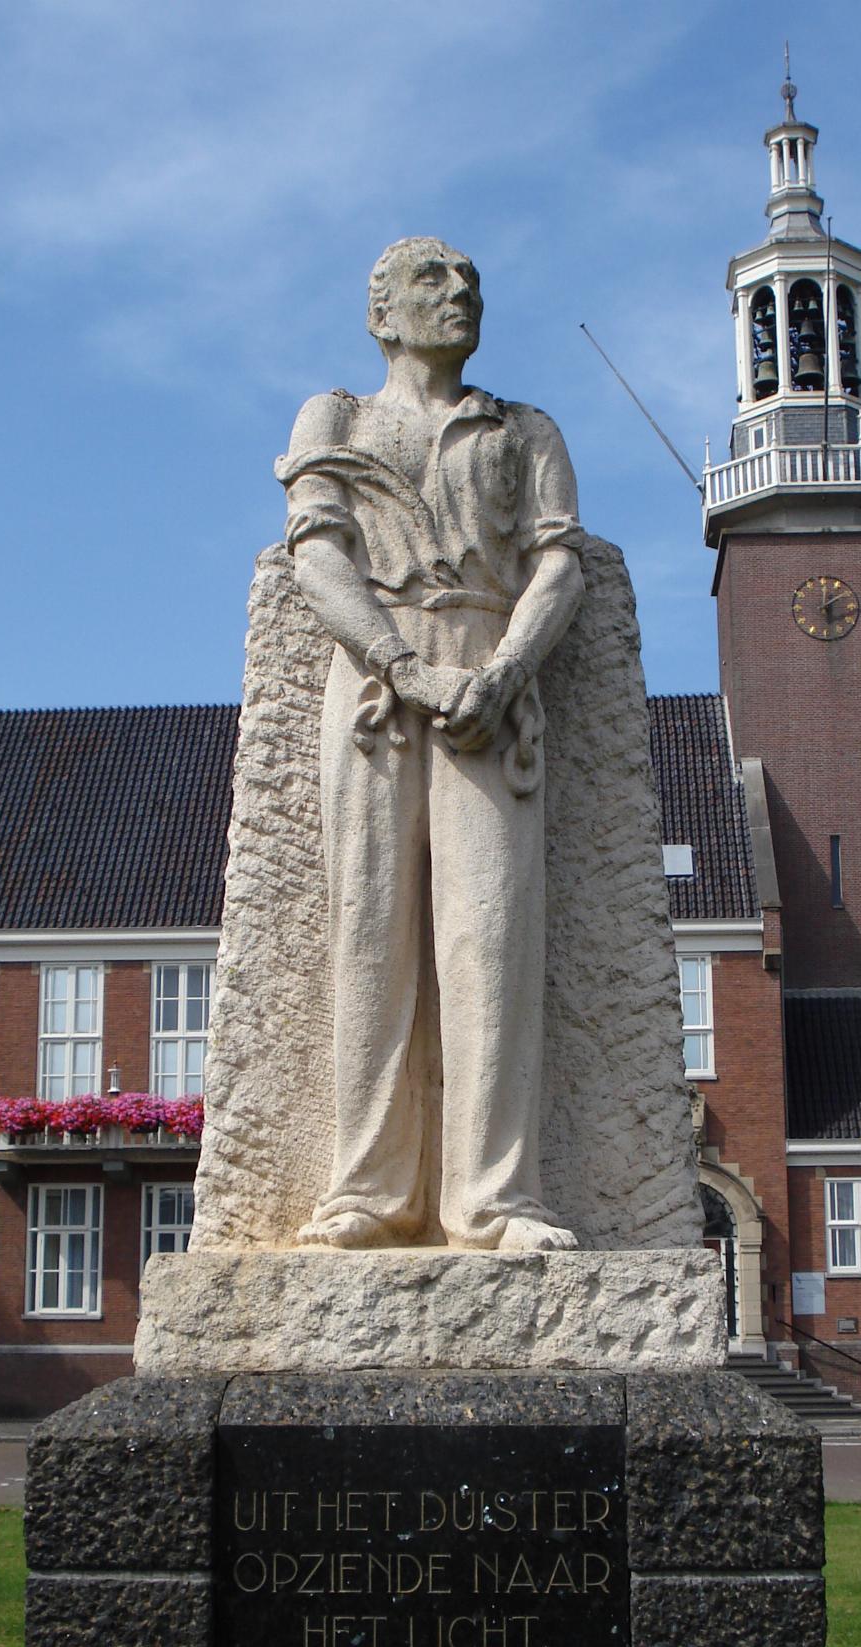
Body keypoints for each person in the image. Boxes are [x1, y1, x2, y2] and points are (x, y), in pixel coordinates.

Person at [276, 237, 585, 1250]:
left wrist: (502, 677)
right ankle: (369, 1188)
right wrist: (405, 670)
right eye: (433, 282)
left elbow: (559, 569)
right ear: (382, 311)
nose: (459, 295)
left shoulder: (523, 428)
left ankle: (493, 1198)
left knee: (488, 942)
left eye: (471, 284)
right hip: (375, 691)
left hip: (492, 691)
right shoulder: (337, 420)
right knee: (371, 936)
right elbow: (318, 559)